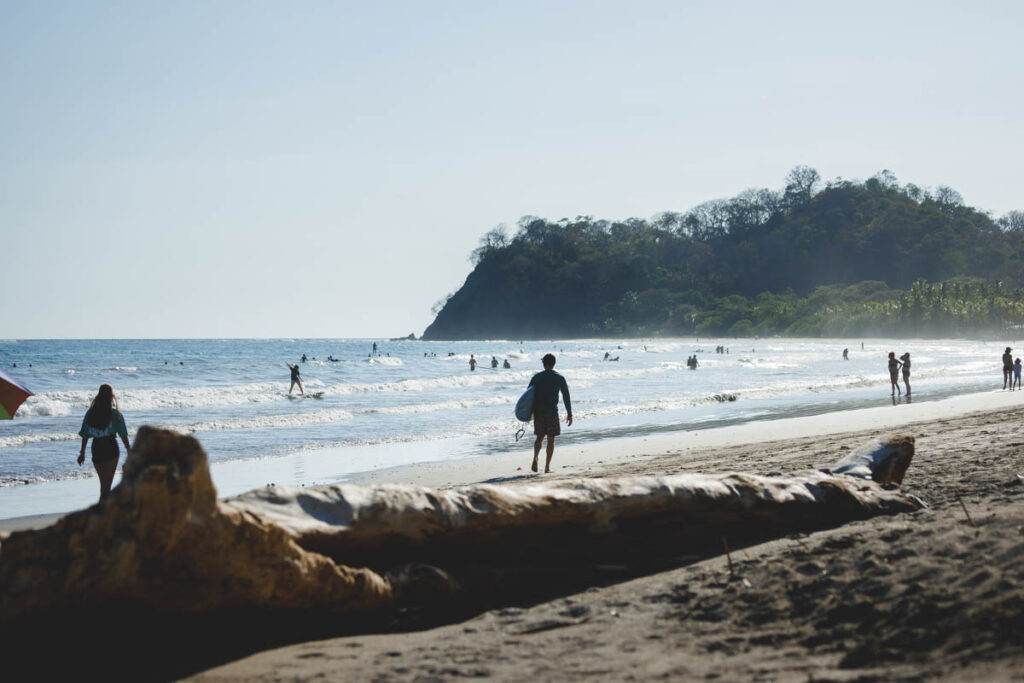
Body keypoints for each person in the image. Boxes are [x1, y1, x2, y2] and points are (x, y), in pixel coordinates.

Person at [77, 384, 131, 500]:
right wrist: (129, 450)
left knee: (104, 485)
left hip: (97, 448)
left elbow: (85, 434)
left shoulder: (90, 413)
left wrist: (82, 453)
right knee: (107, 486)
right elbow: (123, 434)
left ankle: (103, 512)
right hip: (111, 447)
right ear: (111, 396)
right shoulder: (115, 414)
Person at [527, 353, 572, 474]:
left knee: (539, 437)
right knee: (551, 440)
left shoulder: (536, 377)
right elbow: (566, 396)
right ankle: (547, 467)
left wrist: (527, 413)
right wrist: (569, 413)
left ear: (543, 364)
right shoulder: (560, 378)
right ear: (554, 363)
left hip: (539, 412)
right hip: (552, 412)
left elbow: (528, 396)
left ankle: (536, 457)